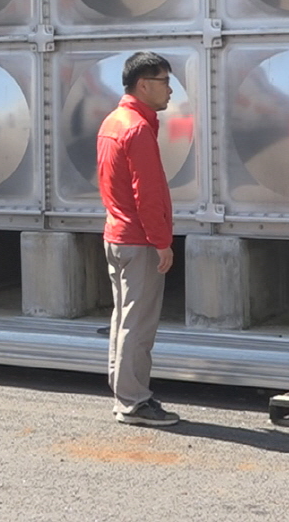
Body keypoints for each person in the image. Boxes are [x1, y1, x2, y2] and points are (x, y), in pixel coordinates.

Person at [98, 51, 180, 427]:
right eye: (164, 82)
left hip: (118, 235)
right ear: (143, 85)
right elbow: (146, 194)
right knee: (138, 324)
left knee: (124, 320)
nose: (170, 91)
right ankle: (133, 402)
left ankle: (125, 394)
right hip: (139, 239)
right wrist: (161, 241)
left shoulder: (114, 122)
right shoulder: (137, 129)